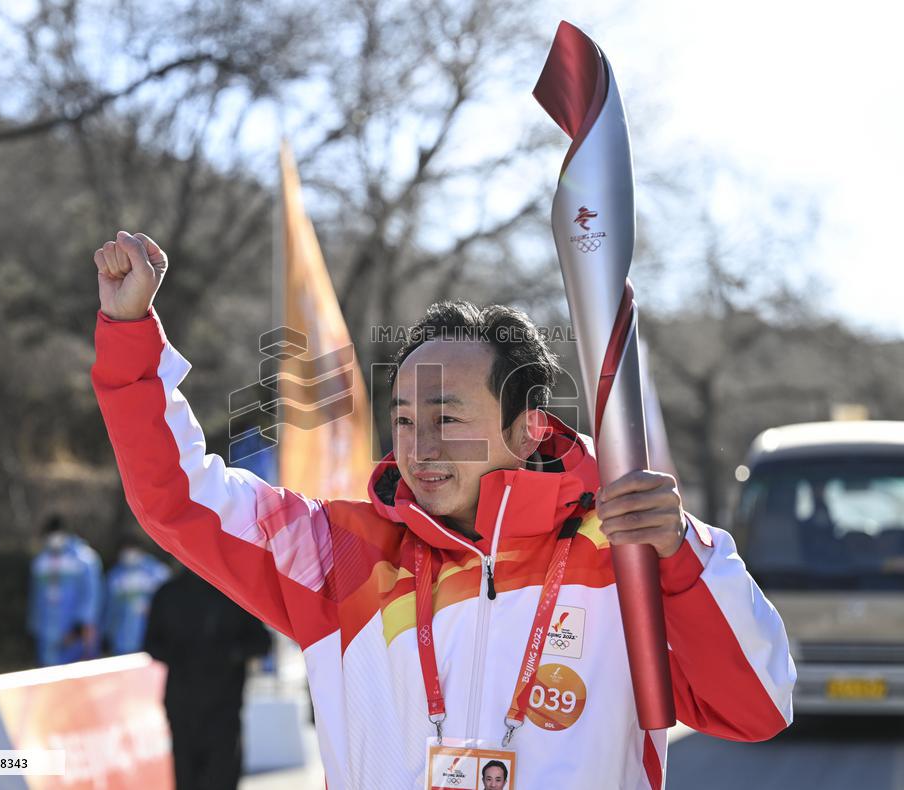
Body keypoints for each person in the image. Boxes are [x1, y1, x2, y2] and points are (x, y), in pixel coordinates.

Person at [90, 231, 796, 789]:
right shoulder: (343, 555)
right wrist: (129, 337)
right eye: (403, 419)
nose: (419, 447)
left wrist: (681, 558)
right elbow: (178, 498)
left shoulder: (629, 548)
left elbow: (756, 709)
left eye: (446, 417)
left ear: (528, 428)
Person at [143, 567, 272, 790]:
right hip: (184, 705)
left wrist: (231, 653)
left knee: (219, 774)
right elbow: (152, 644)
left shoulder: (232, 592)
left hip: (222, 706)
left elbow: (261, 642)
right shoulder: (169, 593)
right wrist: (183, 656)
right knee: (188, 775)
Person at [27, 515, 102, 666]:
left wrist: (80, 627)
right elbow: (35, 597)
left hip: (74, 633)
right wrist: (34, 626)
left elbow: (91, 595)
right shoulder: (41, 561)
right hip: (47, 633)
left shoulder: (83, 558)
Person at [101, 533, 170, 655]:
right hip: (120, 642)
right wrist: (107, 634)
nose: (129, 553)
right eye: (125, 549)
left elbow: (167, 605)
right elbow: (109, 608)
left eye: (131, 548)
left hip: (149, 641)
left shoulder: (157, 572)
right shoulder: (115, 575)